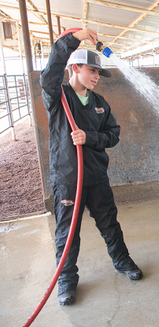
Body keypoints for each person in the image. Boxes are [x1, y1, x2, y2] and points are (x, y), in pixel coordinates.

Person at [40, 28, 143, 306]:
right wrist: (75, 39)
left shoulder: (99, 103)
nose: (97, 78)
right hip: (69, 178)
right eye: (92, 71)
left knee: (109, 223)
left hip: (96, 176)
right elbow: (49, 73)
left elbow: (114, 134)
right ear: (75, 68)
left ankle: (122, 262)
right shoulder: (57, 97)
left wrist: (91, 137)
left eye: (99, 74)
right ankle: (66, 281)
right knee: (68, 232)